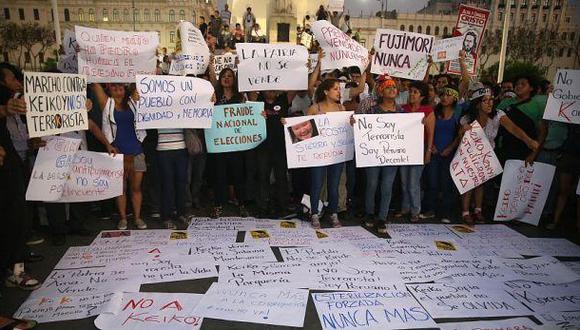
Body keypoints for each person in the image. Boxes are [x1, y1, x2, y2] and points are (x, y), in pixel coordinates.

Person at [459, 88, 539, 225]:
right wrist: (463, 131)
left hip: (487, 155)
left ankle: (478, 210)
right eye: (485, 101)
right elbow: (460, 137)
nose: (490, 103)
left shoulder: (498, 115)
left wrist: (528, 140)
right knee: (469, 184)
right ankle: (465, 212)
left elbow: (513, 128)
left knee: (481, 183)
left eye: (491, 100)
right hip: (470, 156)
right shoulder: (467, 119)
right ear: (478, 104)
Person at [0, 63, 40, 291]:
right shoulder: (8, 102)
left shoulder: (17, 105)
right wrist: (5, 109)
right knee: (13, 214)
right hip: (9, 165)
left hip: (16, 159)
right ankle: (14, 268)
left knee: (20, 212)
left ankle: (17, 258)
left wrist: (32, 141)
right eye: (12, 78)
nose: (17, 83)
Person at [92, 83, 147, 230]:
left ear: (125, 90)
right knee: (120, 188)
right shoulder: (107, 104)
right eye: (115, 88)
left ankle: (137, 218)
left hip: (136, 151)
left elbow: (142, 81)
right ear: (109, 89)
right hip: (117, 153)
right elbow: (96, 84)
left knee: (136, 188)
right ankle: (123, 219)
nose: (118, 92)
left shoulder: (133, 102)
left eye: (121, 88)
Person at [359, 75, 403, 234]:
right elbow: (362, 127)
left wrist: (418, 124)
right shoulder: (371, 110)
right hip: (373, 154)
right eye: (388, 87)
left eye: (394, 87)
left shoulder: (401, 111)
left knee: (387, 186)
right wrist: (355, 122)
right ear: (381, 91)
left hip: (392, 156)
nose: (392, 89)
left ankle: (382, 217)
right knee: (371, 184)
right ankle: (370, 214)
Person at [208, 63, 248, 218]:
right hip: (219, 144)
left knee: (238, 175)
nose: (226, 78)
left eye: (229, 76)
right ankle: (218, 205)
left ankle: (242, 204)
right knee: (219, 175)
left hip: (237, 145)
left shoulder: (240, 97)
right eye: (223, 76)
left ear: (234, 79)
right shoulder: (215, 97)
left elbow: (247, 116)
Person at [304, 78, 345, 229]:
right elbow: (304, 130)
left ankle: (333, 213)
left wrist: (351, 123)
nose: (339, 92)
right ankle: (314, 213)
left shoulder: (342, 109)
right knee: (317, 184)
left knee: (333, 185)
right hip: (318, 153)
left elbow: (345, 131)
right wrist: (287, 124)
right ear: (326, 91)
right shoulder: (315, 108)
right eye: (335, 89)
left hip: (336, 153)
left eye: (339, 89)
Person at [421, 86, 461, 223]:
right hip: (434, 152)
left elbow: (459, 135)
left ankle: (446, 213)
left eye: (448, 95)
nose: (444, 97)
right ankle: (430, 210)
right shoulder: (434, 112)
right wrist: (432, 147)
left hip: (450, 154)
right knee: (432, 182)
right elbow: (429, 131)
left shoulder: (458, 113)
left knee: (446, 184)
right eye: (442, 95)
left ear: (455, 98)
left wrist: (450, 148)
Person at [398, 81, 435, 223]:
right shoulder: (402, 109)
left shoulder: (428, 111)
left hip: (420, 148)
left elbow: (431, 134)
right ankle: (405, 208)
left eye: (415, 92)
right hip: (404, 148)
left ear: (422, 96)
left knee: (413, 181)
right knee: (404, 180)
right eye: (411, 91)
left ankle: (415, 210)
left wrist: (428, 151)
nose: (412, 94)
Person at [255, 90, 296, 216]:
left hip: (280, 147)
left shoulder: (283, 99)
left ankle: (283, 206)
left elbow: (295, 85)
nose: (271, 90)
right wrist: (256, 115)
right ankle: (263, 207)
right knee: (263, 177)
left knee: (281, 177)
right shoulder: (257, 101)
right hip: (263, 146)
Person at [497, 75, 548, 164]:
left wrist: (533, 155)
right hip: (503, 150)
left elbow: (542, 133)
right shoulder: (505, 103)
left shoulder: (536, 107)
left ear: (531, 88)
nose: (519, 86)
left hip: (524, 153)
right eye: (517, 84)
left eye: (523, 84)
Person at [156, 127, 189, 229]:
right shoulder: (154, 110)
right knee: (167, 184)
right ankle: (166, 217)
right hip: (163, 149)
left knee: (181, 183)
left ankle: (180, 213)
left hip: (181, 147)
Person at [549, 124, 580, 232]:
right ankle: (555, 221)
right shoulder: (571, 119)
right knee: (563, 190)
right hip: (569, 155)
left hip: (571, 155)